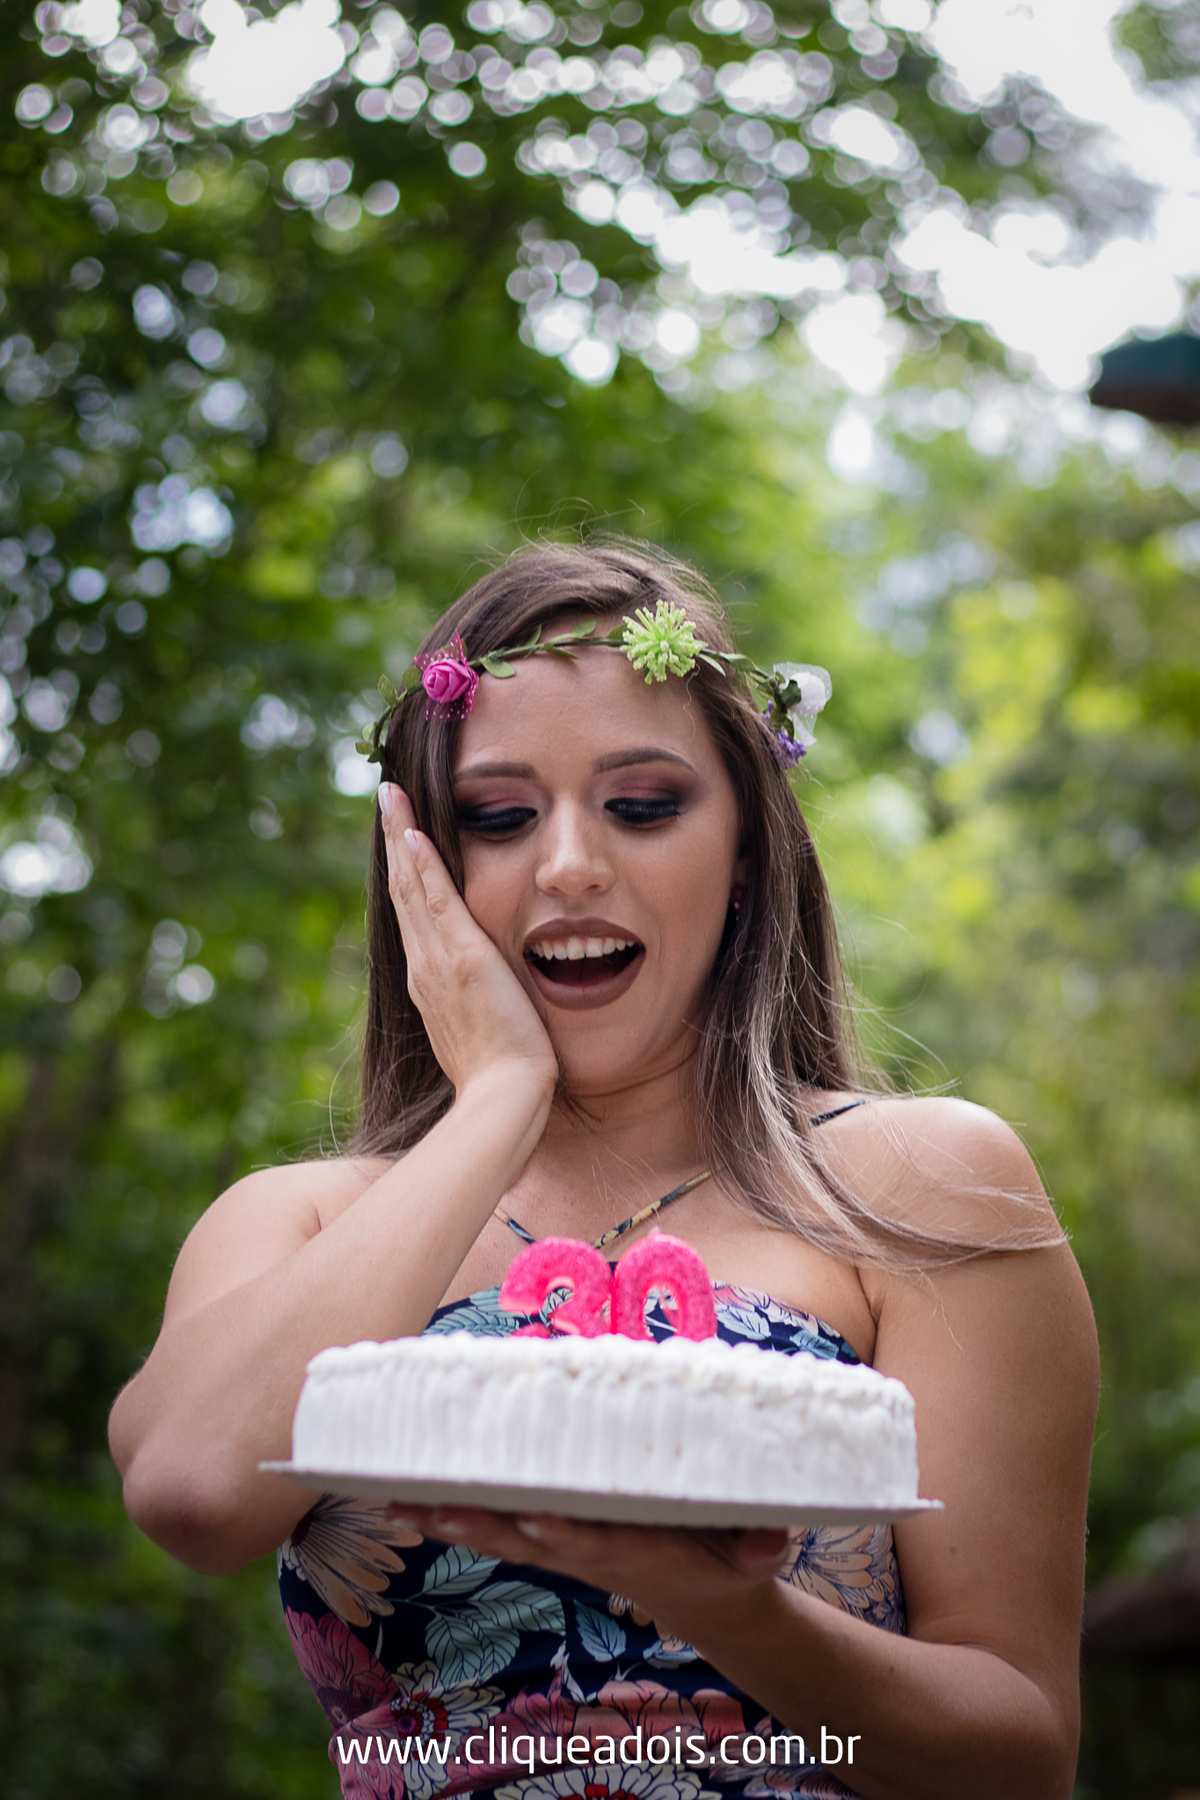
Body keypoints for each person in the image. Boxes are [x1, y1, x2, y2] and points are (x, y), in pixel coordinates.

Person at [109, 541, 1099, 1800]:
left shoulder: (923, 1184)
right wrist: (497, 1106)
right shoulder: (300, 1218)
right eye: (500, 817)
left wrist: (725, 1605)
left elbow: (1021, 1755)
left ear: (745, 855)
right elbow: (194, 1494)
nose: (571, 863)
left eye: (641, 805)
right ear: (427, 871)